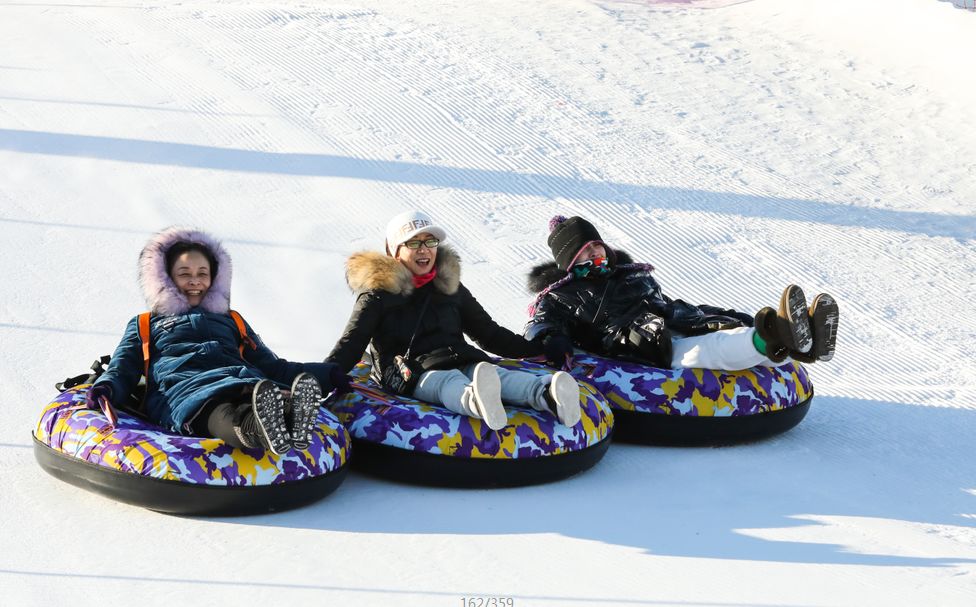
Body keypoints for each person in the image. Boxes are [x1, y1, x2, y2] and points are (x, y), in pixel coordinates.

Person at [87, 226, 346, 455]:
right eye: (184, 273)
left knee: (267, 392)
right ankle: (257, 428)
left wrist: (327, 375)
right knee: (222, 411)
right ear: (165, 278)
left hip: (242, 380)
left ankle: (291, 415)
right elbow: (124, 367)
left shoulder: (232, 320)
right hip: (187, 390)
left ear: (214, 278)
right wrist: (106, 389)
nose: (195, 281)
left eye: (203, 273)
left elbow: (273, 366)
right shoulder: (145, 324)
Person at [326, 210, 583, 431]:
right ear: (395, 252)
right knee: (448, 382)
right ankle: (476, 400)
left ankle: (548, 395)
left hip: (459, 357)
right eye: (413, 243)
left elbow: (488, 333)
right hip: (410, 372)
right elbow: (353, 342)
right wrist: (323, 376)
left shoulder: (449, 287)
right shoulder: (377, 295)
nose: (424, 249)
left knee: (494, 374)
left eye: (430, 241)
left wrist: (540, 348)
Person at [525, 215, 839, 372]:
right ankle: (774, 338)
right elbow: (540, 325)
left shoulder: (627, 274)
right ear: (569, 261)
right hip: (637, 344)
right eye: (586, 250)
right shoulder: (559, 296)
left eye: (597, 245)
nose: (597, 253)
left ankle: (799, 341)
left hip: (666, 319)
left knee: (727, 322)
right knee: (708, 349)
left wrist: (709, 315)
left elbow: (662, 303)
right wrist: (553, 339)